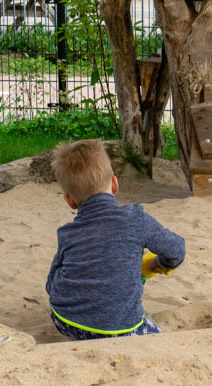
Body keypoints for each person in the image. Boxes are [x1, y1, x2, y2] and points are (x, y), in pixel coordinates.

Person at [45, 139, 185, 340]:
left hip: (66, 322)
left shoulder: (67, 233)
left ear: (70, 201)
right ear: (114, 184)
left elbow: (50, 284)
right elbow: (177, 250)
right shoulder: (136, 219)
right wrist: (160, 263)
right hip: (119, 329)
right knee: (157, 338)